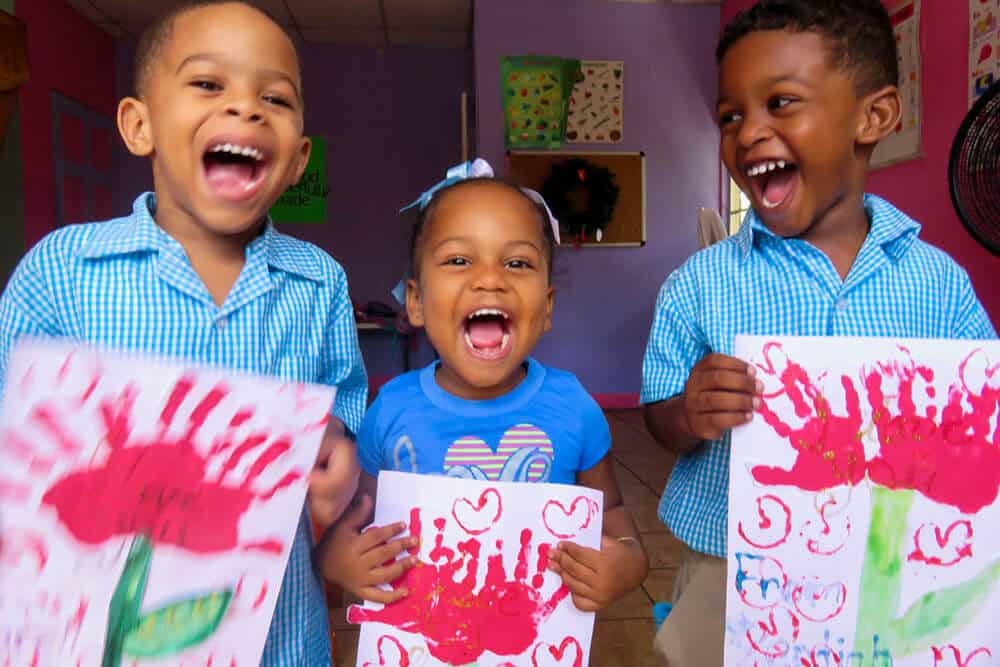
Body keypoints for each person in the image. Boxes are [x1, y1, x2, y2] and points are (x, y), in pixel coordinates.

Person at [0, 2, 366, 663]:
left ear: (296, 159)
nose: (246, 109)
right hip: (97, 629)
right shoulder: (62, 270)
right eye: (208, 83)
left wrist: (339, 455)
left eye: (275, 97)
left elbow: (342, 415)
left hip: (279, 634)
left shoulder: (320, 284)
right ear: (139, 126)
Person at [640, 1, 996, 664]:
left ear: (874, 116)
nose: (748, 134)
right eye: (731, 116)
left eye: (781, 102)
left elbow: (981, 417)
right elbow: (657, 420)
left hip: (892, 571)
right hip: (730, 570)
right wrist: (688, 410)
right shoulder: (698, 284)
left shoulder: (937, 283)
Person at [321, 159, 649, 618]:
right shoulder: (390, 411)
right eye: (458, 260)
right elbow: (356, 519)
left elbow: (610, 511)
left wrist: (629, 558)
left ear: (547, 305)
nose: (490, 279)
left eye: (517, 262)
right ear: (415, 301)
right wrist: (337, 558)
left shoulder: (574, 408)